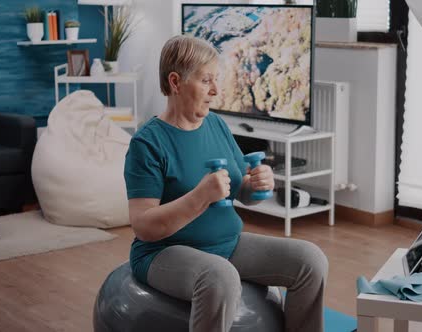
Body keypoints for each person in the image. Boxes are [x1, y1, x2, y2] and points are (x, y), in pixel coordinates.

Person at [124, 35, 328, 332]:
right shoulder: (148, 143)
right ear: (176, 82)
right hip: (163, 253)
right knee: (220, 277)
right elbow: (143, 225)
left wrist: (258, 185)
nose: (216, 91)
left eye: (216, 80)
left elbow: (241, 189)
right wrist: (200, 197)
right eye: (207, 81)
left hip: (227, 244)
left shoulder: (216, 125)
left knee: (311, 261)